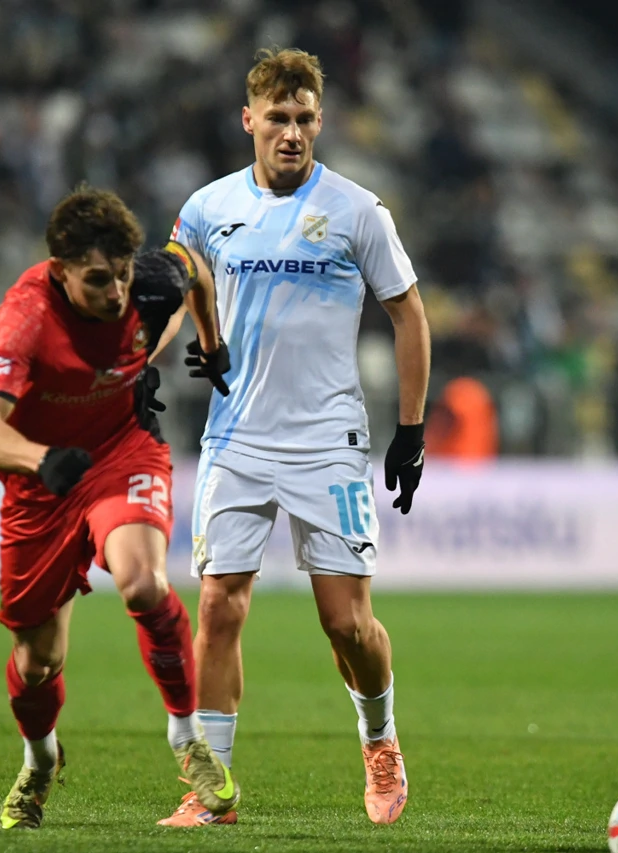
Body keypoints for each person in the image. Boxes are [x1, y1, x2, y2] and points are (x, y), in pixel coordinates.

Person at [162, 48, 431, 827]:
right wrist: (155, 358)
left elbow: (408, 312)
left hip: (327, 442)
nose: (291, 132)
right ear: (248, 119)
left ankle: (379, 738)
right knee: (218, 607)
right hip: (236, 436)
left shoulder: (357, 211)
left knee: (346, 622)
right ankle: (212, 791)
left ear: (321, 122)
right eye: (277, 118)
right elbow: (176, 287)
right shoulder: (209, 207)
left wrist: (410, 431)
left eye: (304, 118)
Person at [0, 186, 236, 831]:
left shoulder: (146, 281)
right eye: (96, 281)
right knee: (38, 663)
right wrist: (39, 460)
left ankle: (186, 738)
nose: (114, 293)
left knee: (143, 583)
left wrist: (212, 340)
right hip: (43, 480)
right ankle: (39, 759)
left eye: (120, 276)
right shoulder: (23, 319)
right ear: (59, 271)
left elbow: (194, 267)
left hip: (122, 452)